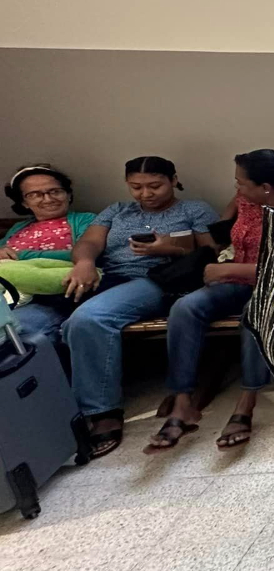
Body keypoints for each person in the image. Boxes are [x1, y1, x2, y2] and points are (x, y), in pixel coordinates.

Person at [19, 156, 219, 457]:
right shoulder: (116, 210)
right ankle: (40, 414)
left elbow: (212, 250)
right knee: (21, 326)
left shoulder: (193, 209)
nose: (145, 194)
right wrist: (85, 262)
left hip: (155, 280)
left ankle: (102, 412)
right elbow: (89, 243)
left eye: (155, 186)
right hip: (104, 277)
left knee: (88, 319)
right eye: (136, 187)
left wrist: (168, 248)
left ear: (174, 180)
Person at [146, 150, 274, 452]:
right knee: (185, 307)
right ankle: (183, 404)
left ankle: (246, 403)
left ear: (266, 187)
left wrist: (230, 269)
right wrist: (187, 249)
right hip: (236, 281)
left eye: (241, 182)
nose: (236, 188)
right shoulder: (245, 201)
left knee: (254, 314)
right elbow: (218, 237)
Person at [3, 164, 97, 340]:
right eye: (34, 194)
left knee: (13, 330)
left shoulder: (86, 220)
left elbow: (83, 254)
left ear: (68, 194)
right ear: (24, 202)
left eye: (55, 191)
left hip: (52, 298)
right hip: (9, 296)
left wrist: (19, 256)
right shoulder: (18, 227)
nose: (47, 199)